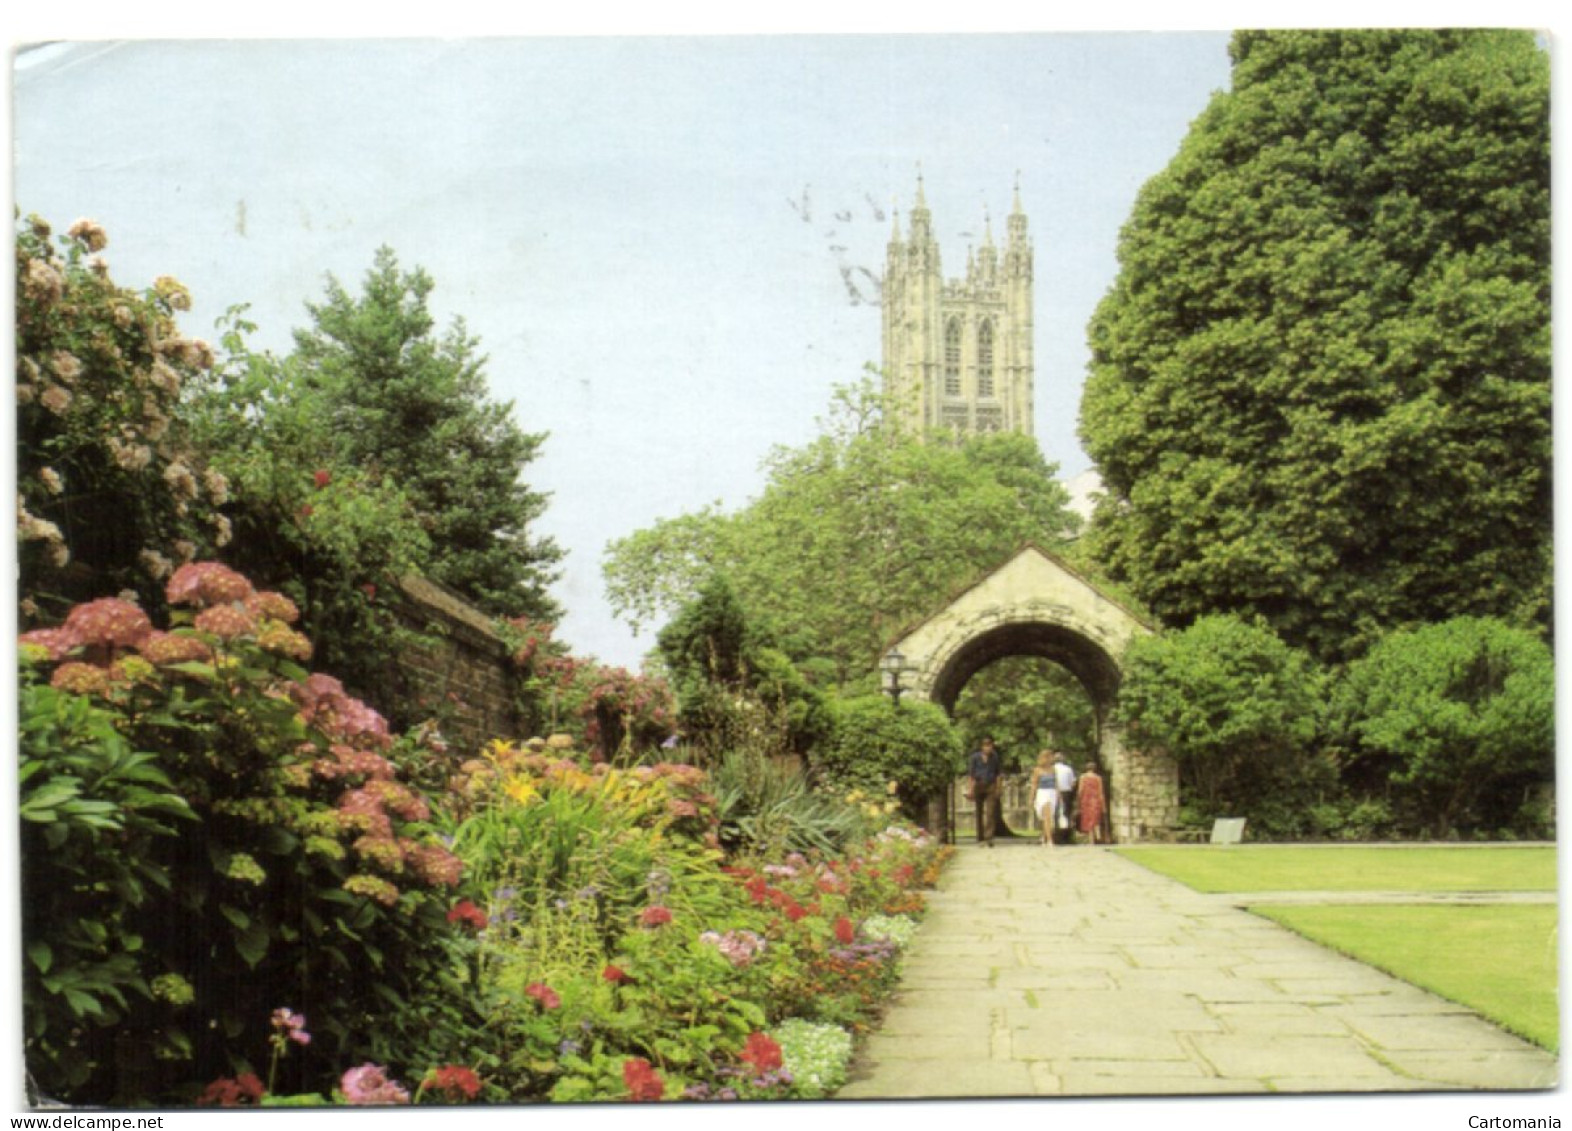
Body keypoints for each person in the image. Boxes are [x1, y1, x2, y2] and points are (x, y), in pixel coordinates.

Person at [968, 736, 1004, 847]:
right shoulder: (975, 758)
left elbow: (998, 774)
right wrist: (970, 790)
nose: (988, 748)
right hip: (979, 784)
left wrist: (998, 788)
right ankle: (980, 837)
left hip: (990, 785)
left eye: (990, 746)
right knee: (979, 812)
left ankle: (989, 837)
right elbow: (971, 775)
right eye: (986, 746)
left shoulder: (995, 757)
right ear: (982, 747)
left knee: (990, 812)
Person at [1077, 761, 1108, 845]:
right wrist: (1103, 804)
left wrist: (1078, 800)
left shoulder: (1083, 777)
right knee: (1095, 819)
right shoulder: (1098, 778)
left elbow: (1080, 790)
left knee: (1088, 819)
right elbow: (1101, 792)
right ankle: (1097, 836)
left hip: (1086, 800)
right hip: (1095, 800)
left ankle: (1091, 840)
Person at [1031, 750, 1057, 847]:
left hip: (1052, 793)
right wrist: (1032, 797)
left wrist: (1059, 795)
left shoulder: (1053, 769)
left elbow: (1056, 782)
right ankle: (1050, 839)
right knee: (1047, 817)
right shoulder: (1037, 770)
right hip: (1043, 793)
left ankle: (1044, 837)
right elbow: (1034, 784)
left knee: (1048, 817)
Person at [1051, 752, 1078, 843]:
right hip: (1066, 792)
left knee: (1055, 814)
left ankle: (1055, 835)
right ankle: (1065, 836)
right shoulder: (1068, 769)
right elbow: (1073, 782)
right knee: (1066, 813)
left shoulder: (1051, 769)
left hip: (1053, 792)